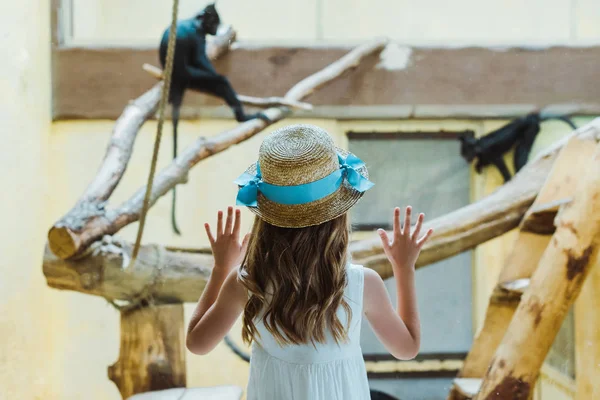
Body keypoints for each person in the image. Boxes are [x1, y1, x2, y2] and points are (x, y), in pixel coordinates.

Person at [186, 124, 433, 400]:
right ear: (338, 216)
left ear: (265, 220)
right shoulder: (364, 284)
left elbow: (197, 343)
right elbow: (407, 348)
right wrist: (404, 267)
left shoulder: (246, 283)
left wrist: (221, 269)